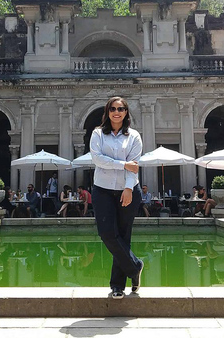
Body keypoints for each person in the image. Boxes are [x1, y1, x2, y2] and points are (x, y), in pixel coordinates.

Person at [90, 96, 144, 300]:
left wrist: (129, 188)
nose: (116, 112)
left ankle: (117, 286)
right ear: (107, 112)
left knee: (123, 235)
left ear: (126, 112)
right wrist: (122, 165)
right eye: (112, 108)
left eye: (120, 108)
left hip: (127, 189)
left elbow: (135, 164)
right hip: (102, 189)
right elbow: (97, 159)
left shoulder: (134, 136)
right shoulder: (98, 134)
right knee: (107, 234)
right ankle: (135, 266)